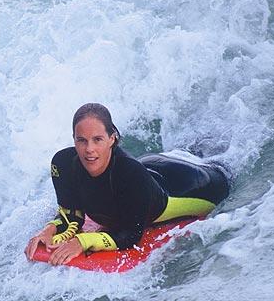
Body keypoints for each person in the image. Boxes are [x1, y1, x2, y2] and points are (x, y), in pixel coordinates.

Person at [25, 103, 230, 266]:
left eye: (98, 139)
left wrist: (84, 241)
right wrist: (50, 230)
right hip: (149, 166)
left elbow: (131, 234)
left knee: (223, 164)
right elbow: (71, 214)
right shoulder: (63, 163)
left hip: (193, 184)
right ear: (74, 139)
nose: (89, 149)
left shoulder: (130, 173)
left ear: (112, 139)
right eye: (82, 140)